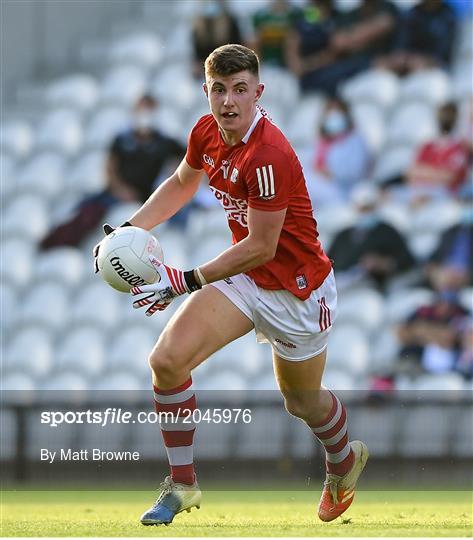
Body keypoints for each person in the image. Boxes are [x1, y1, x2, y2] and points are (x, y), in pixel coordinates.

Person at [94, 44, 369, 525]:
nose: (228, 101)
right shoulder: (205, 132)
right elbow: (182, 183)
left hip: (297, 291)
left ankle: (343, 459)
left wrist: (187, 279)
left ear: (258, 93)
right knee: (166, 360)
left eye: (240, 90)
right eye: (219, 89)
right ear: (206, 91)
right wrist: (128, 232)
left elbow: (263, 246)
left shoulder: (269, 156)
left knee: (301, 401)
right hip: (246, 279)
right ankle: (182, 485)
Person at [40, 95, 185, 249]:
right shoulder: (122, 140)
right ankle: (56, 241)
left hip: (146, 195)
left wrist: (171, 176)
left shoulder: (164, 143)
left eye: (148, 110)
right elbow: (110, 167)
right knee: (86, 210)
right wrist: (120, 190)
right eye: (141, 110)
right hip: (117, 192)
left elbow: (187, 156)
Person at [328, 183, 415, 291]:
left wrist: (382, 264)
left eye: (369, 208)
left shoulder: (388, 231)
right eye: (362, 209)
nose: (365, 213)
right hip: (341, 289)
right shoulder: (343, 235)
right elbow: (328, 263)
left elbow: (407, 261)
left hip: (374, 289)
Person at [304, 95, 372, 206]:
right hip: (323, 187)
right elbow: (311, 164)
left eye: (337, 112)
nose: (333, 116)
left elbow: (357, 171)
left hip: (344, 190)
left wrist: (331, 173)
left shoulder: (355, 140)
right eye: (329, 112)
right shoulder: (322, 141)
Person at [377, 0, 456, 75]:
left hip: (437, 72)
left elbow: (444, 55)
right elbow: (400, 47)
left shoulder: (449, 16)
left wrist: (426, 62)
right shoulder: (410, 14)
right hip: (407, 67)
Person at [191, 0, 243, 79]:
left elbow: (238, 49)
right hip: (207, 72)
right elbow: (197, 55)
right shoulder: (198, 27)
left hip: (228, 69)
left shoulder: (231, 22)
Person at [249, 0, 302, 68]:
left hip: (289, 62)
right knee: (253, 39)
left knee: (292, 39)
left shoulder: (297, 14)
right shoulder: (259, 15)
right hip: (266, 59)